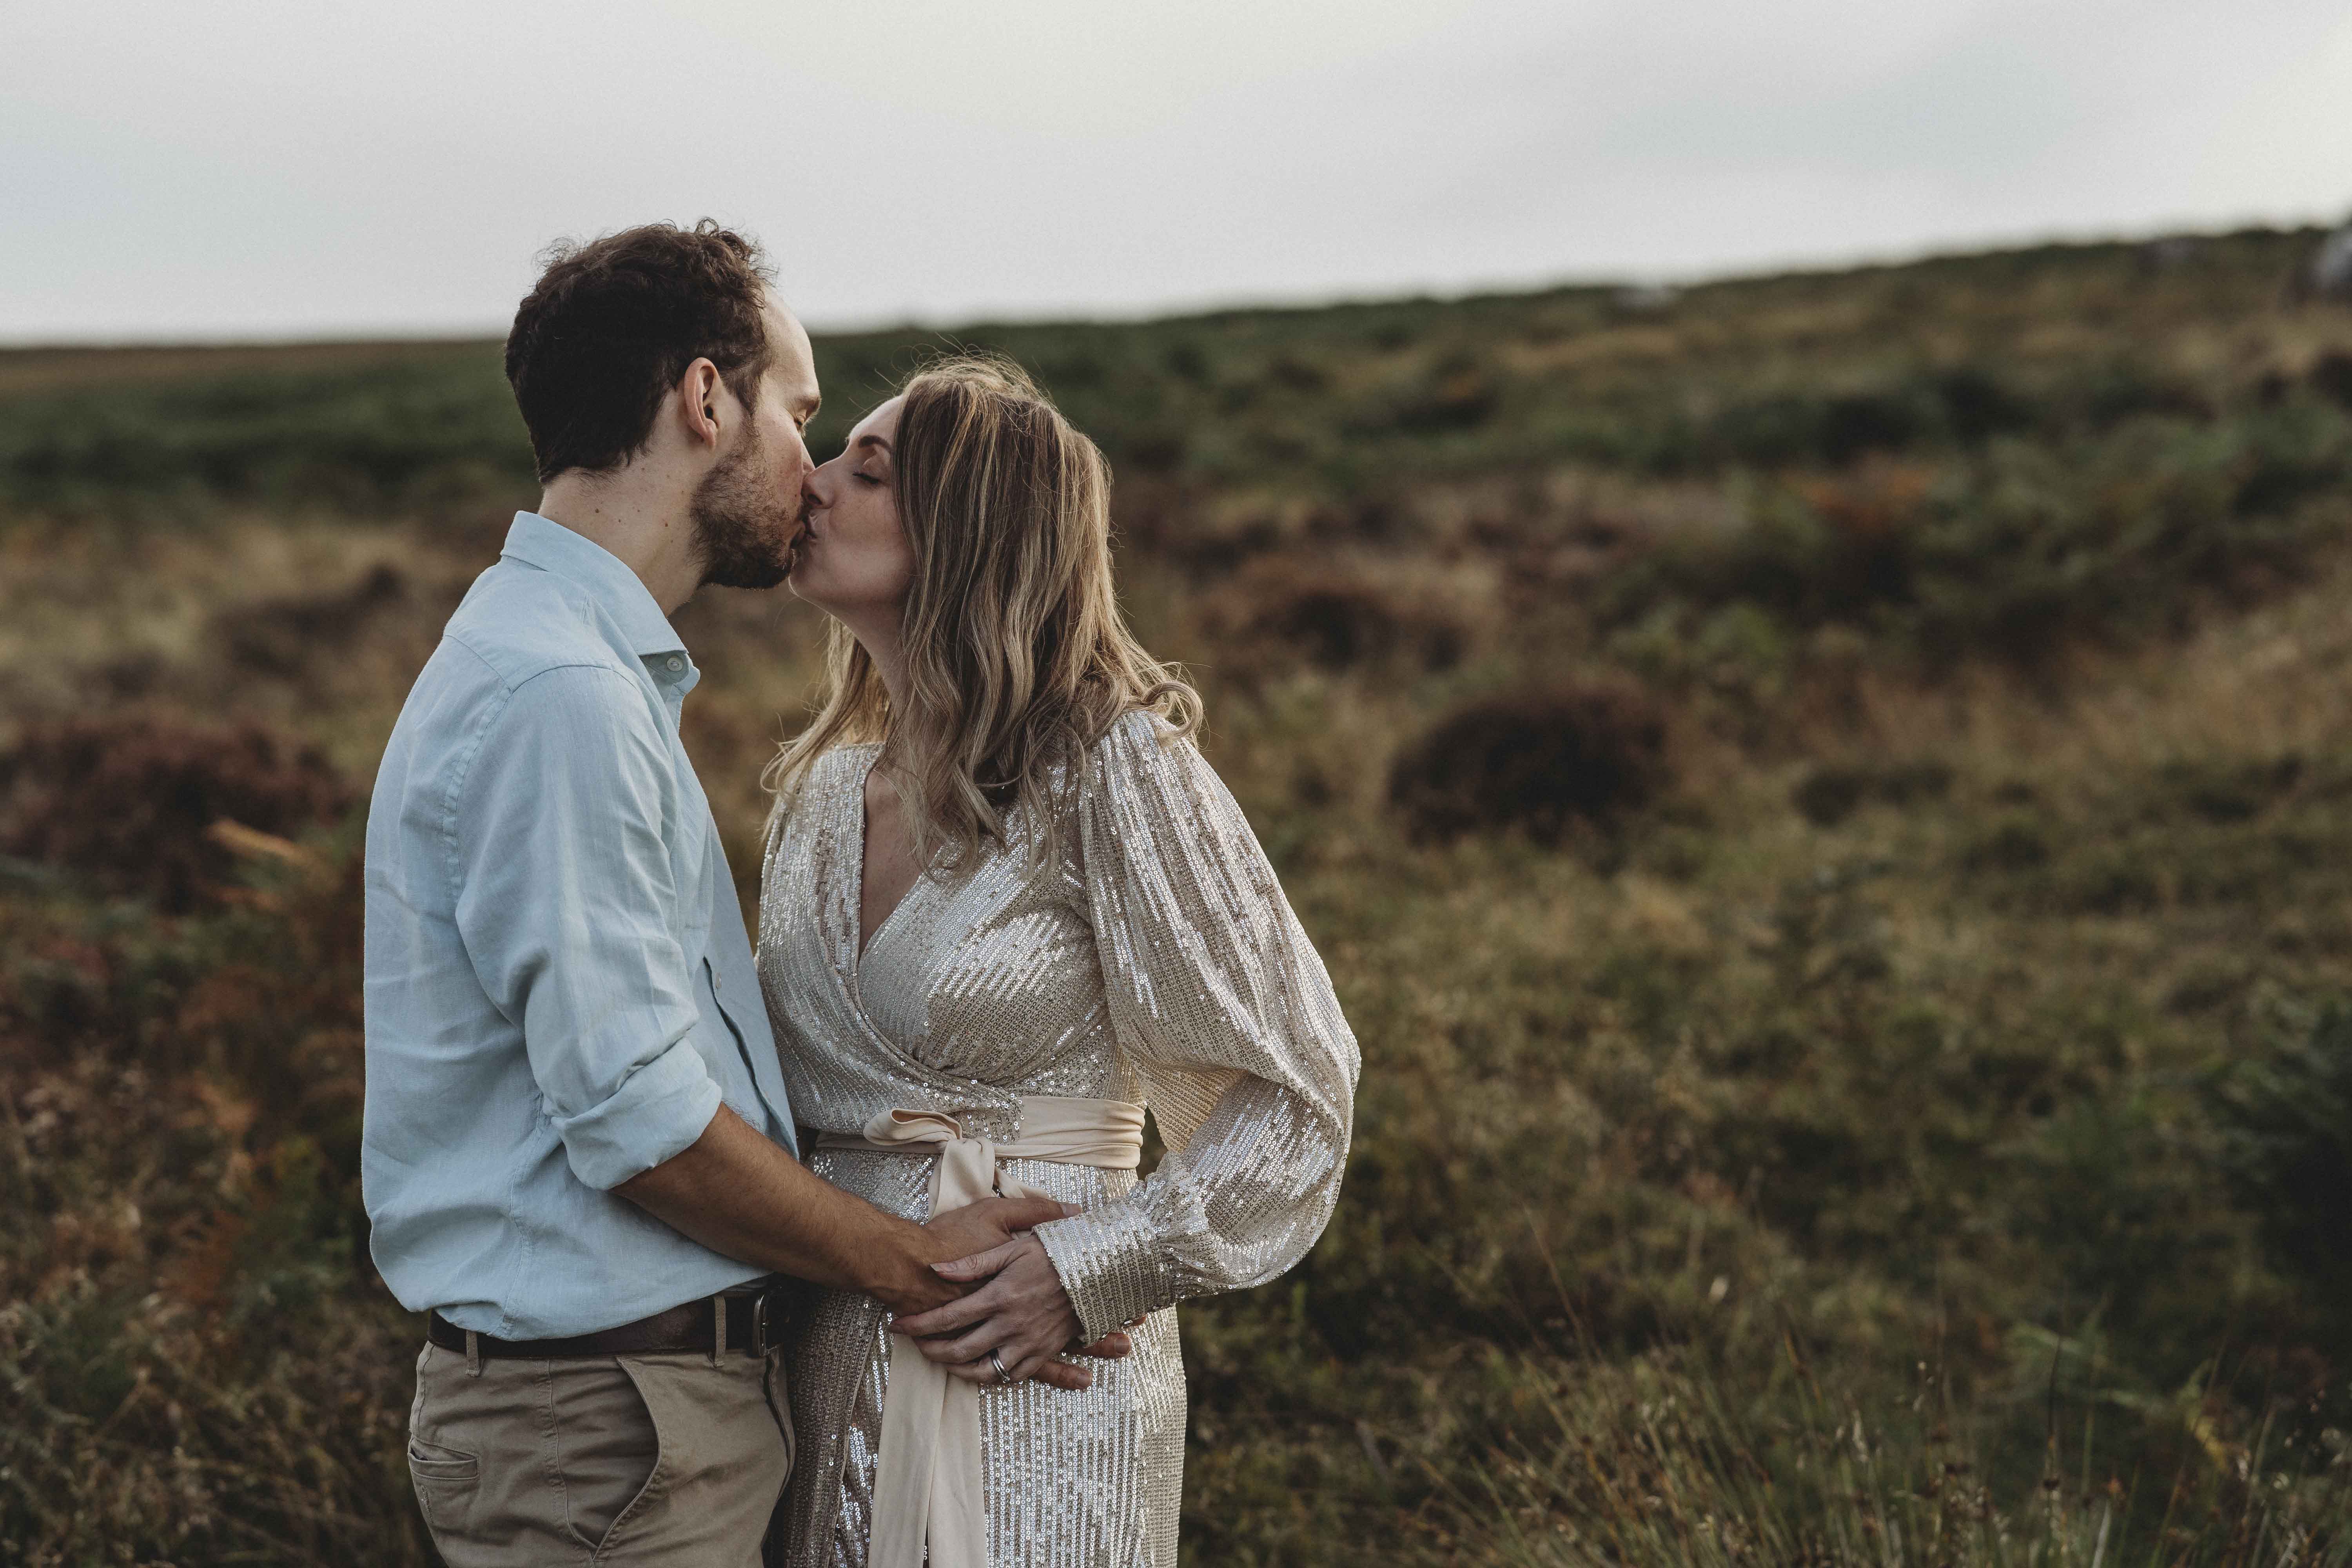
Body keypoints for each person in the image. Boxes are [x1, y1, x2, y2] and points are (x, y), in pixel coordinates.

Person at [361, 224, 1117, 1568]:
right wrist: (925, 1262)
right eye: (800, 411)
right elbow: (642, 1124)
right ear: (707, 401)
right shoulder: (564, 699)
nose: (809, 470)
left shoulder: (565, 666)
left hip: (634, 1420)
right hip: (609, 1435)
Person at [758, 355, 1360, 1568]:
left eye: (865, 471)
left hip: (1041, 1373)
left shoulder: (1114, 766)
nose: (810, 485)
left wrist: (1092, 1269)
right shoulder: (817, 797)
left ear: (969, 531)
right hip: (829, 1348)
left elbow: (1299, 1095)